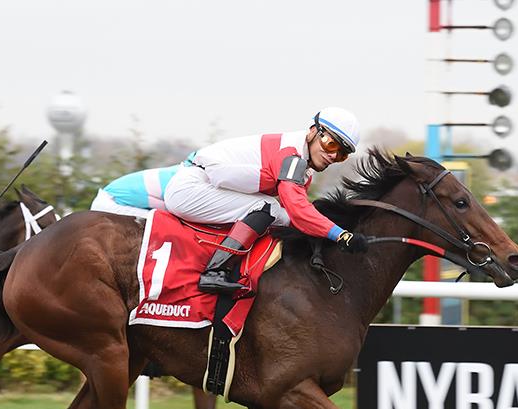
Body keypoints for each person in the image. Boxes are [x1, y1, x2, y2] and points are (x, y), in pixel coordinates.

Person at [91, 107, 368, 295]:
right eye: (331, 144)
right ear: (312, 131)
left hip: (196, 184)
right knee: (270, 209)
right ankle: (215, 271)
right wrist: (340, 234)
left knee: (277, 213)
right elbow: (298, 210)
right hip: (190, 187)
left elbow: (298, 211)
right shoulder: (291, 157)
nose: (333, 156)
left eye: (342, 154)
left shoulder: (301, 167)